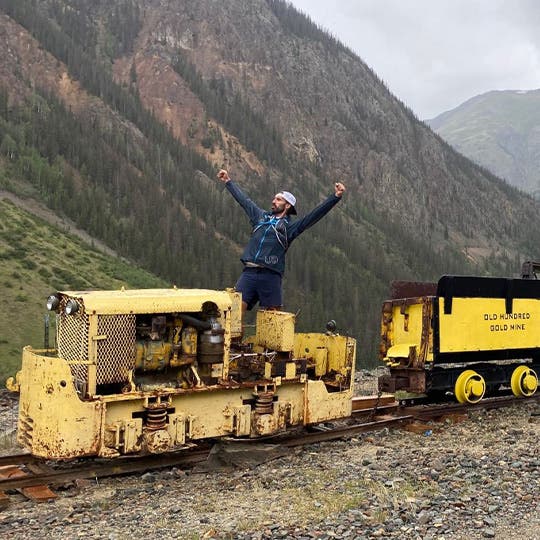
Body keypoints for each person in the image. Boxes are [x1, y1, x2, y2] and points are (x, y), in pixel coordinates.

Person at [217, 169, 346, 311]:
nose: (273, 201)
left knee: (274, 320)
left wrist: (335, 197)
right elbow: (245, 201)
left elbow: (313, 215)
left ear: (288, 205)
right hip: (249, 272)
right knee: (233, 314)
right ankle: (236, 334)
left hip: (271, 275)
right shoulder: (260, 217)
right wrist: (228, 182)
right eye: (274, 198)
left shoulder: (289, 228)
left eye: (278, 199)